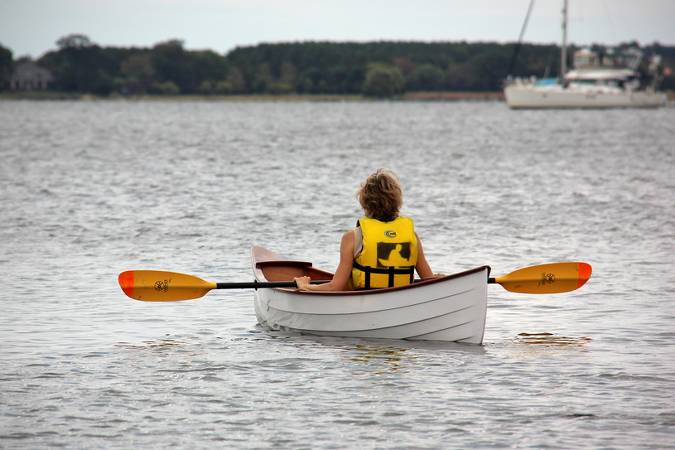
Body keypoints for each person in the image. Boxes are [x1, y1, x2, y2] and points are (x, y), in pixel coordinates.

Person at [295, 169, 437, 291]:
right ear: (397, 201)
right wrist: (439, 278)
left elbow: (335, 287)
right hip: (400, 300)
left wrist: (306, 286)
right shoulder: (412, 236)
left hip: (365, 300)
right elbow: (430, 282)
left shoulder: (353, 237)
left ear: (364, 202)